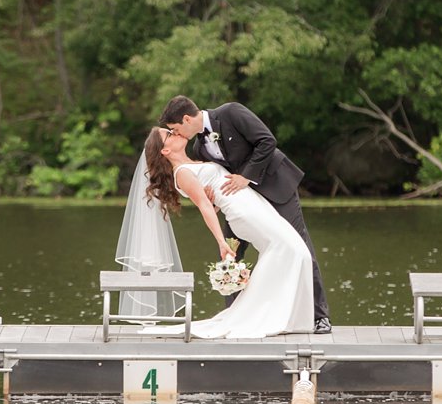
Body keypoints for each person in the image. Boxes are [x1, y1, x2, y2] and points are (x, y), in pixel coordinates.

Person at [161, 96, 332, 333]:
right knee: (232, 255)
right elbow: (216, 177)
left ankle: (319, 316)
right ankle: (235, 316)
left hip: (276, 188)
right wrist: (214, 196)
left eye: (175, 129)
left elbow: (266, 141)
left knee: (299, 246)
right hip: (242, 206)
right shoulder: (199, 147)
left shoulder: (231, 112)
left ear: (187, 118)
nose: (177, 134)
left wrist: (246, 176)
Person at [139, 127, 313, 338]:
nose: (175, 133)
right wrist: (222, 242)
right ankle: (263, 314)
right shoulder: (182, 173)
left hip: (252, 203)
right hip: (243, 211)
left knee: (295, 251)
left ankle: (283, 314)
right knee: (290, 249)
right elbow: (204, 207)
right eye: (169, 134)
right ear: (165, 151)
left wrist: (216, 199)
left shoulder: (193, 163)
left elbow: (213, 198)